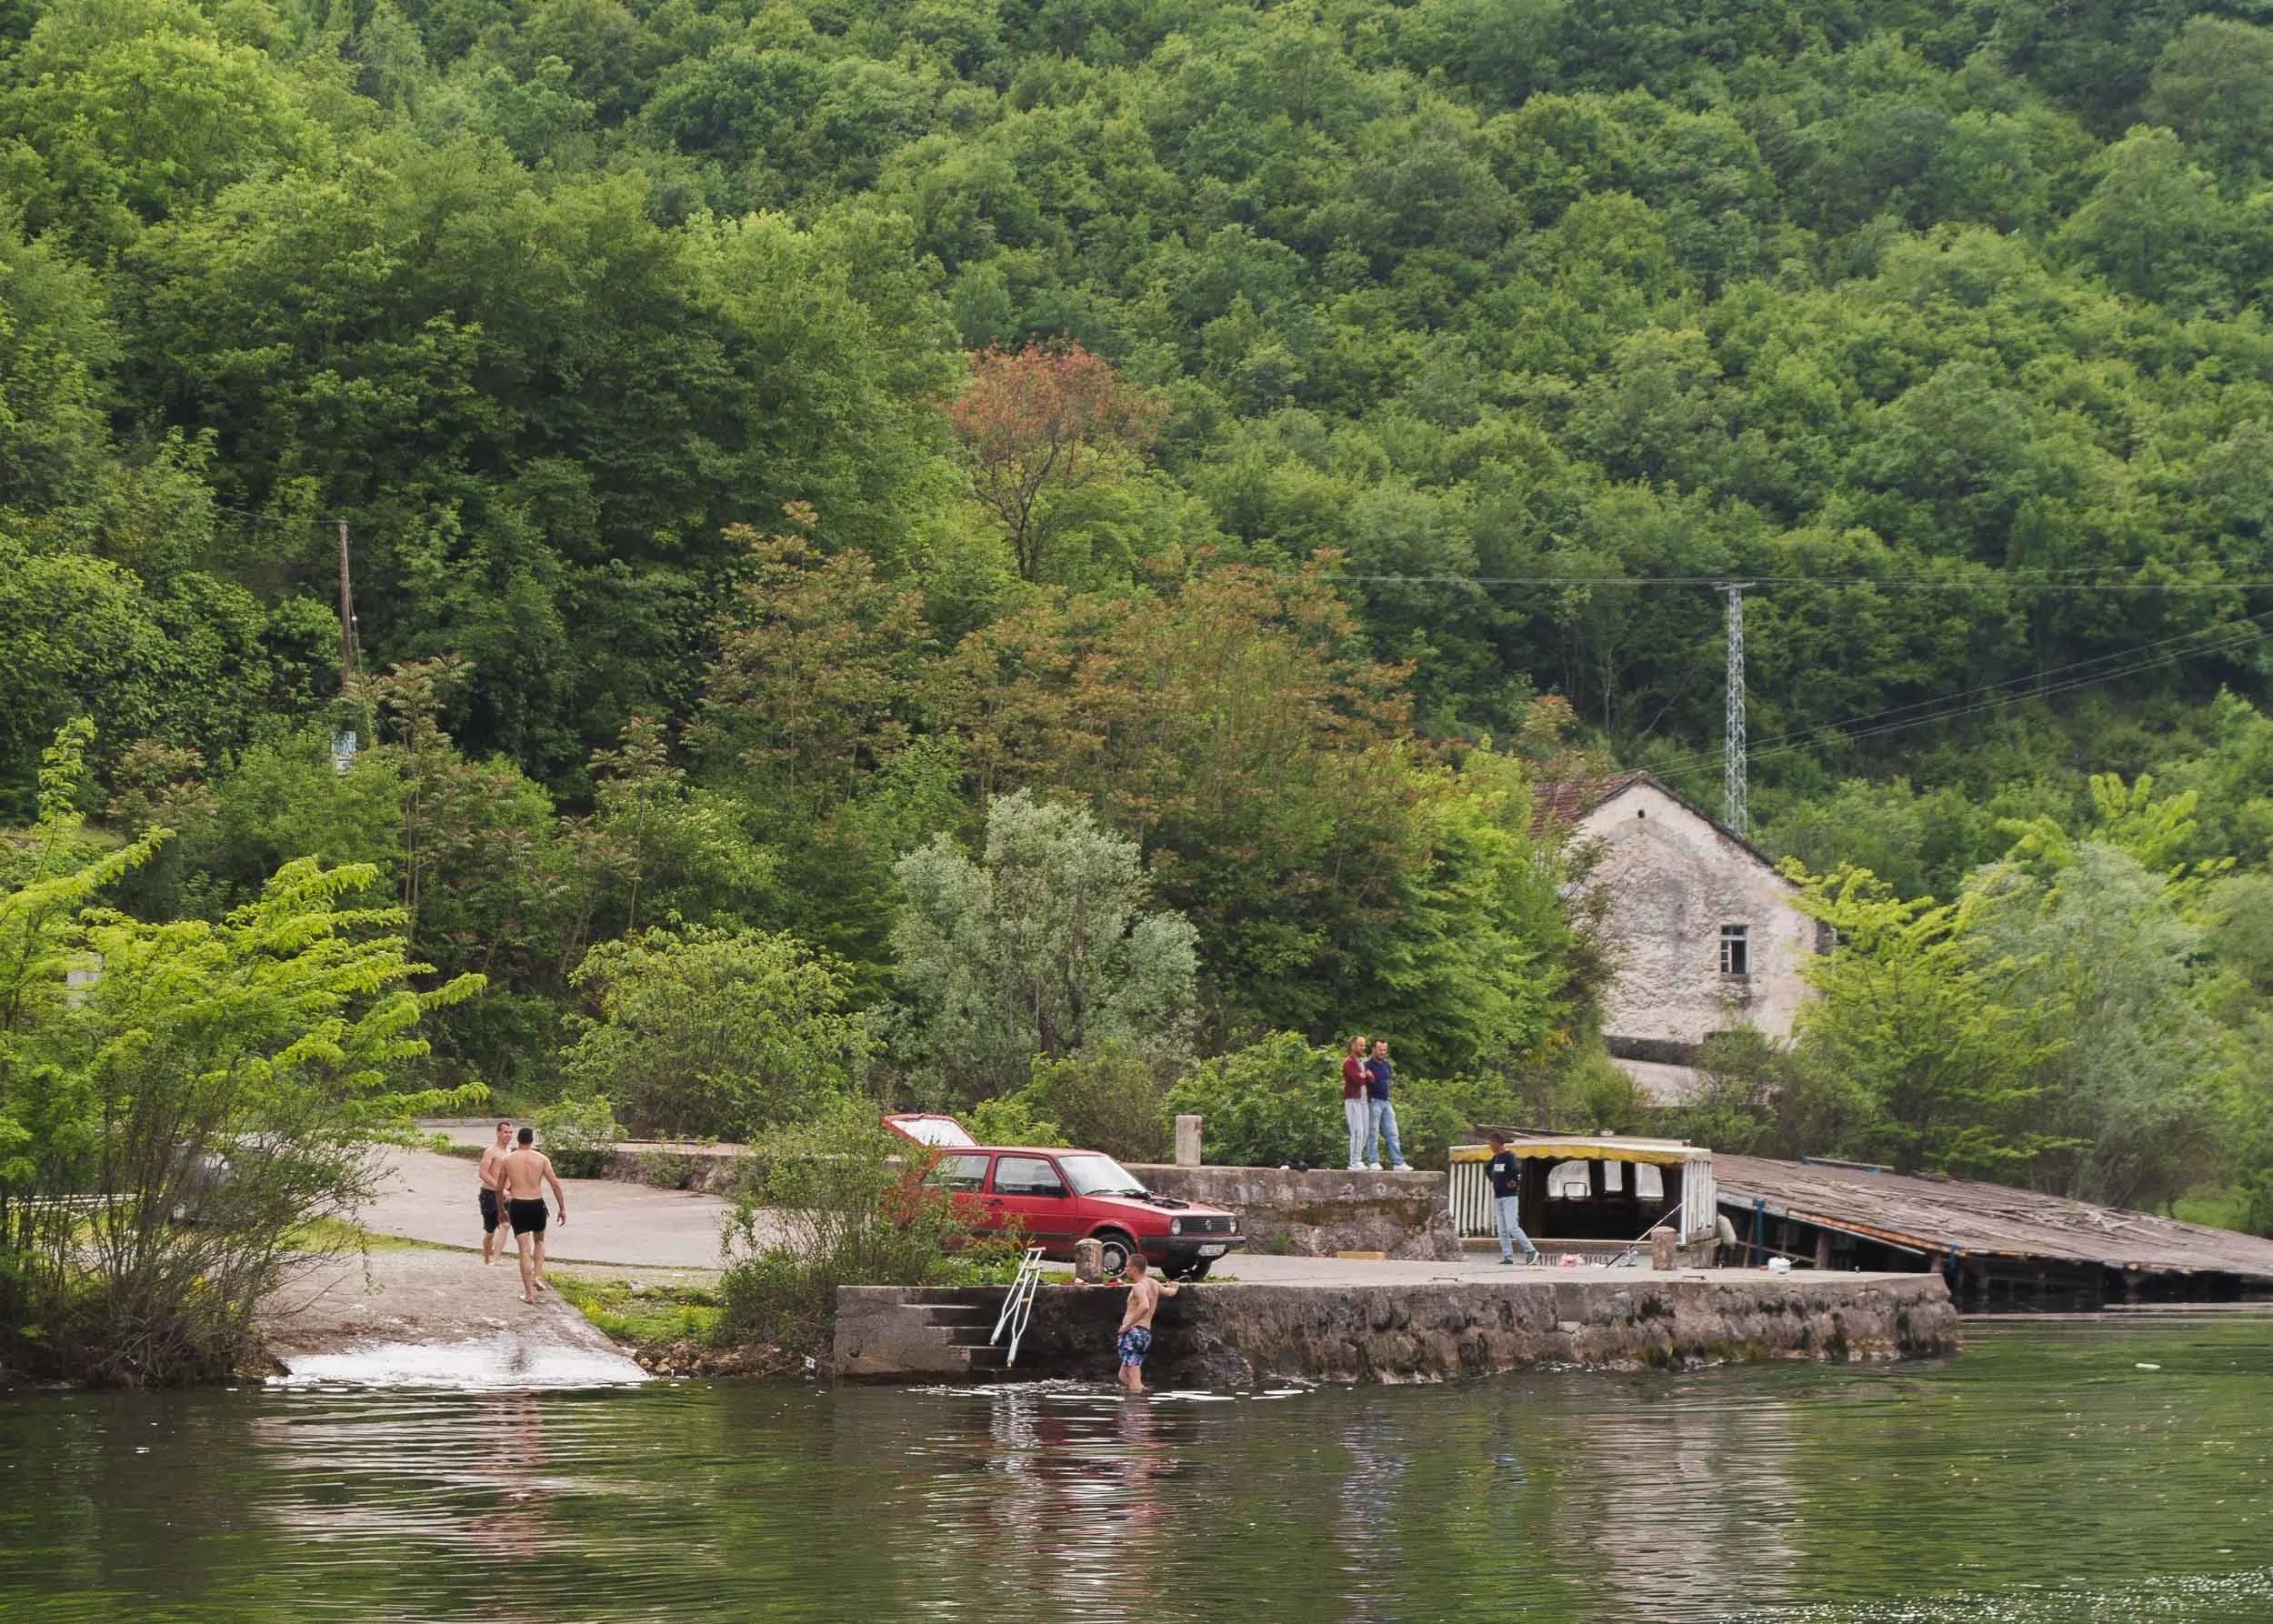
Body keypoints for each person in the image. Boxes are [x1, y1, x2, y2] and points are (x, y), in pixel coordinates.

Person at [497, 1126, 567, 1306]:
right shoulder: (542, 1159)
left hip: (518, 1205)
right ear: (532, 1140)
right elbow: (555, 1185)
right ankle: (537, 1276)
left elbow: (499, 1189)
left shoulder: (508, 1160)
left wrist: (501, 1210)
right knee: (540, 1241)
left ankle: (529, 1294)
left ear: (518, 1140)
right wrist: (562, 1208)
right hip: (536, 1204)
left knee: (524, 1251)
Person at [1115, 1254, 1180, 1395]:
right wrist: (1174, 1286)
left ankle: (1138, 1411)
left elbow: (1144, 1305)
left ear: (1134, 1269)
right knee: (1124, 1376)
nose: (1125, 1269)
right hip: (1144, 1335)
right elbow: (1170, 1292)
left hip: (1133, 1334)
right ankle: (1142, 1399)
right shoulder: (1153, 1283)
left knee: (1134, 1381)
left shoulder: (1139, 1286)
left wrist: (1127, 1326)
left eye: (1127, 1266)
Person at [1483, 1132, 1539, 1266]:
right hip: (1499, 1197)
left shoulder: (1509, 1156)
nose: (1490, 1146)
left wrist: (1513, 1181)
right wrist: (1493, 1179)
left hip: (1509, 1197)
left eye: (1490, 1143)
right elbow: (1487, 1168)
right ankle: (1507, 1256)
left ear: (1497, 1143)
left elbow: (1515, 1170)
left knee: (1512, 1227)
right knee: (1501, 1230)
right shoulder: (1496, 1157)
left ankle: (1531, 1251)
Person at [1367, 1038, 1412, 1172]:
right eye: (1380, 1049)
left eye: (1384, 1049)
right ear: (1373, 1049)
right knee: (1373, 1133)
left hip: (1386, 1102)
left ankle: (1398, 1163)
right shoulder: (1367, 1065)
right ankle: (1373, 1161)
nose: (1382, 1052)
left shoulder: (1387, 1065)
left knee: (1393, 1133)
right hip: (1373, 1101)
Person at [476, 1118, 513, 1265]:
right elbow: (483, 1173)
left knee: (505, 1225)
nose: (508, 1135)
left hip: (506, 1195)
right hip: (490, 1194)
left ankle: (495, 1259)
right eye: (505, 1132)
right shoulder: (491, 1151)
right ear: (498, 1133)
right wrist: (500, 1189)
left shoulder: (510, 1151)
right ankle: (486, 1258)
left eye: (510, 1133)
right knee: (490, 1231)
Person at [1341, 1036, 1375, 1171]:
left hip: (1363, 1101)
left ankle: (1358, 1159)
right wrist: (1365, 1075)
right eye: (1360, 1045)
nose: (1363, 1048)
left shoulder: (1361, 1062)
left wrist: (1365, 1075)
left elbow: (1371, 1079)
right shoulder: (1348, 1062)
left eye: (1364, 1045)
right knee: (1357, 1131)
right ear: (1353, 1046)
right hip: (1353, 1100)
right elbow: (1357, 1079)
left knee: (1365, 1132)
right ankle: (1354, 1162)